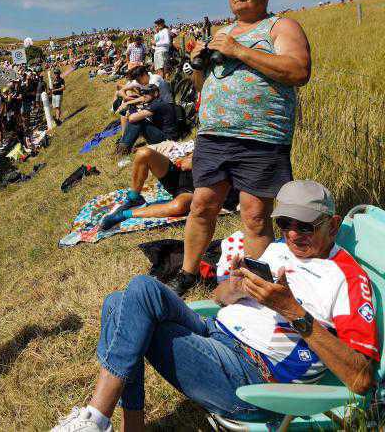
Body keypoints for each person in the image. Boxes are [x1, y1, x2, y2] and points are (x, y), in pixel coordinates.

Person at [53, 181, 377, 432]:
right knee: (126, 298)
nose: (293, 233)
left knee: (126, 305)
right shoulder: (280, 248)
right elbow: (220, 298)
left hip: (252, 376)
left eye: (305, 225)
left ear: (333, 225)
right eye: (286, 223)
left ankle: (95, 419)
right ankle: (114, 423)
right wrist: (235, 288)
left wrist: (291, 310)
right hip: (215, 334)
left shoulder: (347, 281)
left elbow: (361, 379)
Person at [173, 0, 311, 296]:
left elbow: (298, 70)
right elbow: (204, 84)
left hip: (261, 137)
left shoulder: (281, 27)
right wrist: (197, 65)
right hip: (213, 134)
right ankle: (187, 274)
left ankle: (256, 287)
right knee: (201, 205)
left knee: (254, 216)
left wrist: (239, 51)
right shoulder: (222, 33)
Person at [100, 149, 239, 230]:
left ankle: (125, 214)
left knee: (178, 206)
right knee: (143, 153)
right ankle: (134, 198)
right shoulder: (215, 132)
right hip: (181, 175)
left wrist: (197, 163)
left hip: (197, 189)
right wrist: (190, 158)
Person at [116, 85, 177, 154]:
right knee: (136, 118)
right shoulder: (156, 101)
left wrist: (130, 113)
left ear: (156, 93)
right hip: (161, 133)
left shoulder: (157, 104)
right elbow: (142, 99)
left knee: (137, 121)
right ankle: (123, 145)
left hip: (166, 139)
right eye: (143, 92)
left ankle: (123, 149)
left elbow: (132, 119)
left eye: (147, 92)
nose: (144, 95)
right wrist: (128, 103)